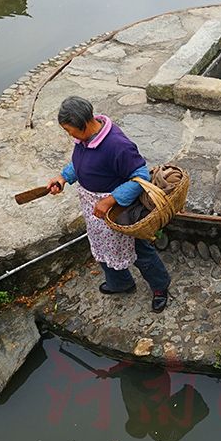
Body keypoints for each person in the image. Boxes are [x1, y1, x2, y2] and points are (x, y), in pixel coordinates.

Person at [46, 96, 171, 313]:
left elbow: (141, 176)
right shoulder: (84, 139)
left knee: (138, 250)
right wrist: (63, 178)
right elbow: (81, 163)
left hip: (118, 211)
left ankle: (160, 287)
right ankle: (120, 283)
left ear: (84, 124)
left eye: (69, 130)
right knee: (103, 247)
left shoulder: (117, 145)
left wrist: (111, 200)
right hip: (94, 208)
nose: (69, 135)